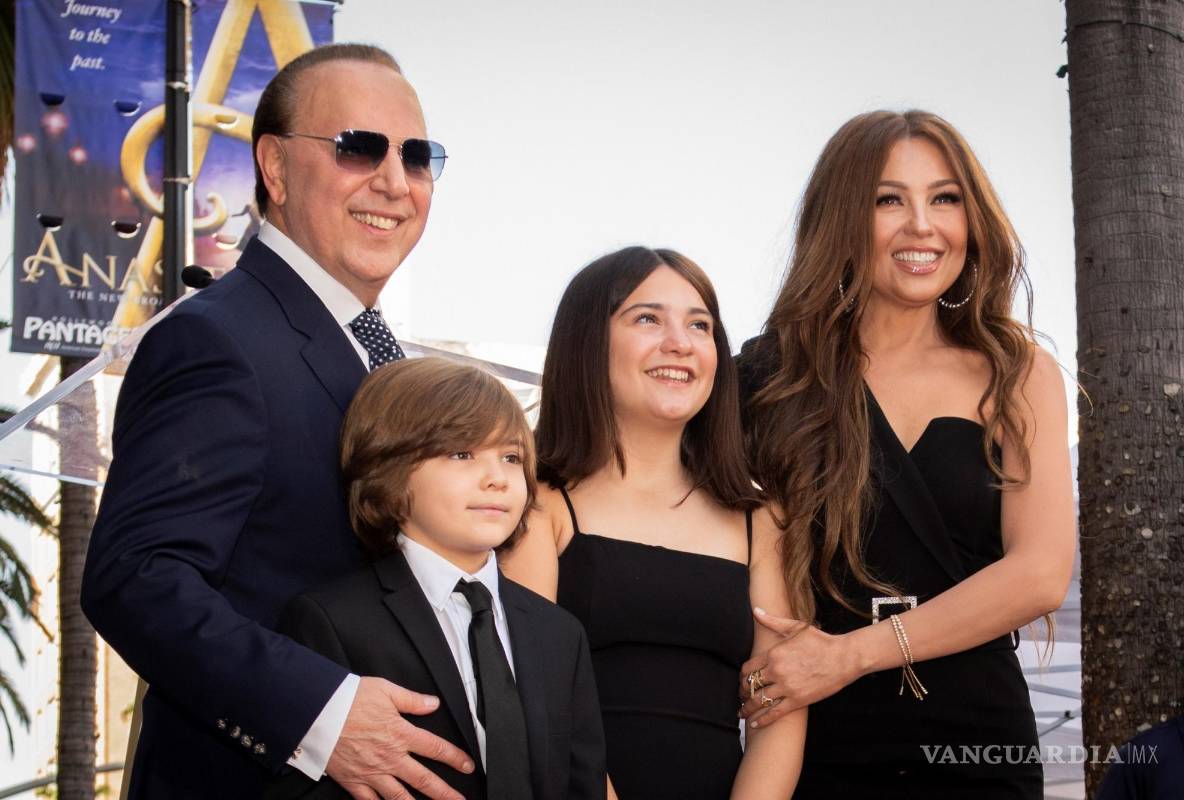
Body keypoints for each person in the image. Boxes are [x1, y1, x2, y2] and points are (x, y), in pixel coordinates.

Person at [81, 45, 473, 800]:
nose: (395, 181)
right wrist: (322, 716)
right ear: (275, 166)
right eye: (359, 148)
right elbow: (136, 577)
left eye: (419, 157)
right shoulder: (217, 338)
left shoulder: (376, 354)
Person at [736, 110, 1075, 798]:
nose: (922, 224)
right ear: (842, 219)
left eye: (945, 198)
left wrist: (850, 656)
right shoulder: (765, 377)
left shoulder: (1017, 370)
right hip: (812, 739)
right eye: (889, 199)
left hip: (977, 745)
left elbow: (1040, 573)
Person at [502, 246, 804, 800]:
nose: (681, 343)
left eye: (700, 325)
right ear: (587, 341)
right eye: (647, 318)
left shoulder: (761, 520)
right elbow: (534, 699)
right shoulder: (536, 504)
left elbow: (778, 712)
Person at [268, 358, 606, 800]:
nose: (496, 479)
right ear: (388, 470)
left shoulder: (560, 633)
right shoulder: (331, 621)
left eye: (511, 457)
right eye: (461, 454)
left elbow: (582, 785)